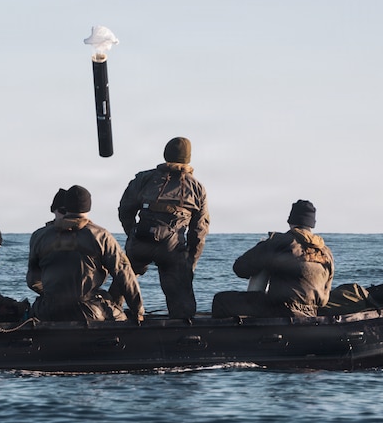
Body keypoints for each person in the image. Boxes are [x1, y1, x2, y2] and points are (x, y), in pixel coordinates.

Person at [116, 136, 210, 319]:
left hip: (141, 240)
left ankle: (110, 316)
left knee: (122, 281)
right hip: (172, 248)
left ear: (166, 154)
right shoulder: (197, 187)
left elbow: (125, 210)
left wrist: (132, 234)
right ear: (188, 158)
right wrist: (190, 261)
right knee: (181, 301)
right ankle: (182, 326)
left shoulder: (143, 178)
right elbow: (199, 229)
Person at [27, 185, 144, 323]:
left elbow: (32, 281)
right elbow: (124, 274)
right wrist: (137, 311)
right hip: (88, 310)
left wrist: (53, 296)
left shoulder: (39, 236)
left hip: (47, 310)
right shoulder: (101, 235)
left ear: (66, 206)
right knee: (122, 318)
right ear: (88, 207)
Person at [223, 200, 334, 317]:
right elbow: (325, 294)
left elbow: (240, 268)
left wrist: (263, 250)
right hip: (312, 312)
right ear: (312, 224)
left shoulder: (280, 241)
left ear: (290, 220)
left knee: (221, 301)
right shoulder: (326, 252)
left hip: (281, 310)